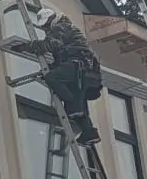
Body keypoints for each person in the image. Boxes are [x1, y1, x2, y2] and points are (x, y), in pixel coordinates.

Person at [34, 14, 104, 145]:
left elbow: (48, 45)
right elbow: (60, 60)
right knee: (77, 110)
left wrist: (27, 46)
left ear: (51, 21)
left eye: (46, 26)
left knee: (51, 78)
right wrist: (51, 68)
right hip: (87, 73)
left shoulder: (61, 26)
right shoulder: (67, 32)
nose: (46, 29)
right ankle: (89, 133)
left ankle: (74, 104)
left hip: (78, 67)